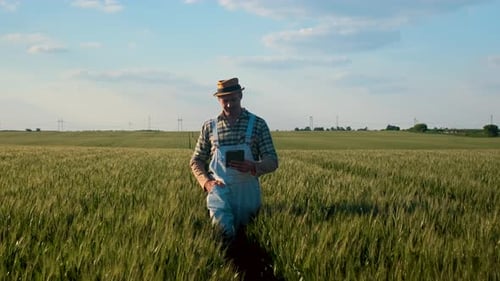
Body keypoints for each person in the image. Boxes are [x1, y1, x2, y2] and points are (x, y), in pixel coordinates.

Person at [190, 77, 278, 243]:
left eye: (233, 99)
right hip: (219, 192)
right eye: (225, 100)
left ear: (240, 96)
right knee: (223, 238)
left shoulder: (258, 124)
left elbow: (272, 160)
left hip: (248, 194)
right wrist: (206, 183)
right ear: (218, 100)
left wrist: (254, 166)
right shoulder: (209, 127)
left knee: (250, 238)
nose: (229, 104)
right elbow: (196, 160)